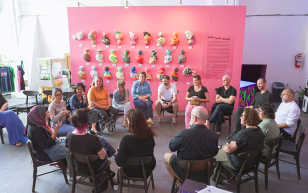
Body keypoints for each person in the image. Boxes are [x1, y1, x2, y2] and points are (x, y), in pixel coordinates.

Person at [164, 106, 218, 183]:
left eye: (190, 115)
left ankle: (180, 184)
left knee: (166, 155)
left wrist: (185, 133)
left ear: (195, 118)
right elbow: (215, 153)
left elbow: (172, 147)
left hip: (184, 172)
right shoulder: (213, 135)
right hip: (206, 173)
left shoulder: (184, 133)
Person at [212, 108, 264, 182]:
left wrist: (223, 148)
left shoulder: (244, 134)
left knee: (213, 151)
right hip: (252, 163)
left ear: (248, 118)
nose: (240, 117)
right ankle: (219, 177)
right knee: (221, 149)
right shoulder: (259, 131)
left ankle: (217, 178)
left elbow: (229, 149)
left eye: (242, 115)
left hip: (239, 164)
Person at [65, 110, 116, 184]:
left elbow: (68, 149)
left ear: (73, 122)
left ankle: (113, 152)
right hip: (92, 169)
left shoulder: (69, 135)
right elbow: (102, 157)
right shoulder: (93, 139)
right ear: (87, 121)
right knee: (104, 149)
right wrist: (104, 151)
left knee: (101, 142)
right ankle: (114, 154)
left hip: (77, 167)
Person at [115, 108, 156, 178]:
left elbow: (119, 162)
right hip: (148, 168)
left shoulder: (126, 140)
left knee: (119, 163)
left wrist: (119, 151)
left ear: (130, 122)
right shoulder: (150, 136)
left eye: (127, 119)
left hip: (130, 170)